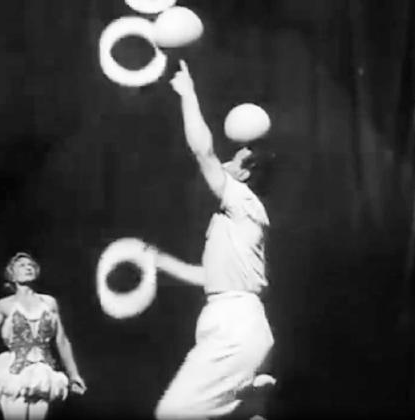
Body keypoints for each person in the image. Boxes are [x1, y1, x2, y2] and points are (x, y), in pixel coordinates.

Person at [151, 60, 276, 420]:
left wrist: (188, 94)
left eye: (233, 160)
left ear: (246, 174)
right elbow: (212, 277)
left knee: (172, 413)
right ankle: (251, 400)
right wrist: (161, 261)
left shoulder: (240, 199)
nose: (225, 163)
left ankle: (251, 397)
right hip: (232, 321)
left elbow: (202, 151)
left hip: (234, 328)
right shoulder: (235, 217)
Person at [0, 252, 87, 420]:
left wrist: (74, 375)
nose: (28, 268)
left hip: (43, 375)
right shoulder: (4, 305)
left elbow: (61, 340)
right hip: (14, 375)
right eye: (22, 265)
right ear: (12, 274)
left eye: (31, 265)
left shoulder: (49, 303)